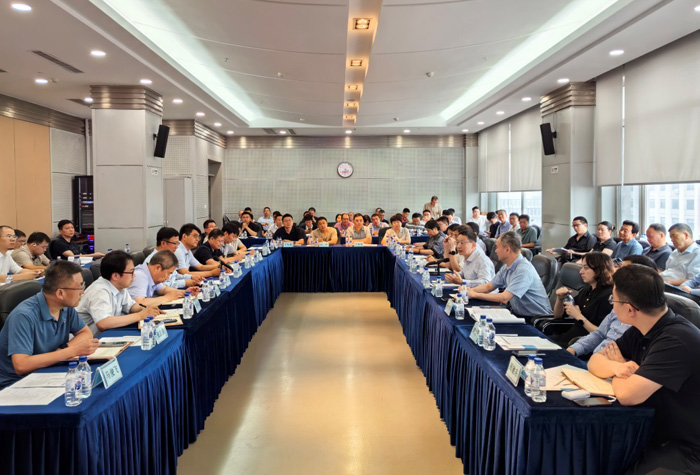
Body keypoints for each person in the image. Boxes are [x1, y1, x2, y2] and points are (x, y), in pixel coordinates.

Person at [588, 264, 700, 474]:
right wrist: (617, 366)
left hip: (686, 448)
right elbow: (594, 361)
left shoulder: (677, 340)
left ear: (630, 309)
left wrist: (619, 367)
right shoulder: (643, 328)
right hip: (651, 430)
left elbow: (627, 395)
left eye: (613, 300)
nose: (612, 306)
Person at [0, 261, 100, 389]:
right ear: (60, 293)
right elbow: (21, 365)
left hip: (48, 370)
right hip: (15, 384)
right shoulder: (23, 316)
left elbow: (85, 333)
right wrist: (71, 351)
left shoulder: (65, 307)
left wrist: (64, 349)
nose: (82, 292)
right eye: (79, 287)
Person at [567, 255, 657, 357]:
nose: (616, 271)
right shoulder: (619, 304)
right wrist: (573, 349)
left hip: (606, 363)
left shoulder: (645, 318)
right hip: (595, 358)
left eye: (623, 270)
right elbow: (599, 334)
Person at [467, 231, 553, 317]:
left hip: (536, 320)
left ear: (507, 249)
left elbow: (504, 298)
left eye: (497, 247)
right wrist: (469, 290)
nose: (495, 251)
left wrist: (475, 294)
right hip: (518, 315)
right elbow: (488, 287)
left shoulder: (523, 270)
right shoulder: (507, 266)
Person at [77, 251, 161, 335]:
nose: (134, 275)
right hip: (89, 339)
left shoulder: (119, 285)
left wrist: (146, 310)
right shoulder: (99, 291)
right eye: (131, 272)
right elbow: (103, 323)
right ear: (115, 276)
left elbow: (130, 306)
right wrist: (140, 315)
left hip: (107, 334)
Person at [552, 252, 614, 346]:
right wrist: (560, 299)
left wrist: (578, 316)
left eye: (586, 268)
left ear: (599, 270)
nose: (581, 271)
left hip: (582, 345)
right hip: (568, 338)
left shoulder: (608, 296)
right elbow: (558, 315)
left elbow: (603, 335)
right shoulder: (586, 290)